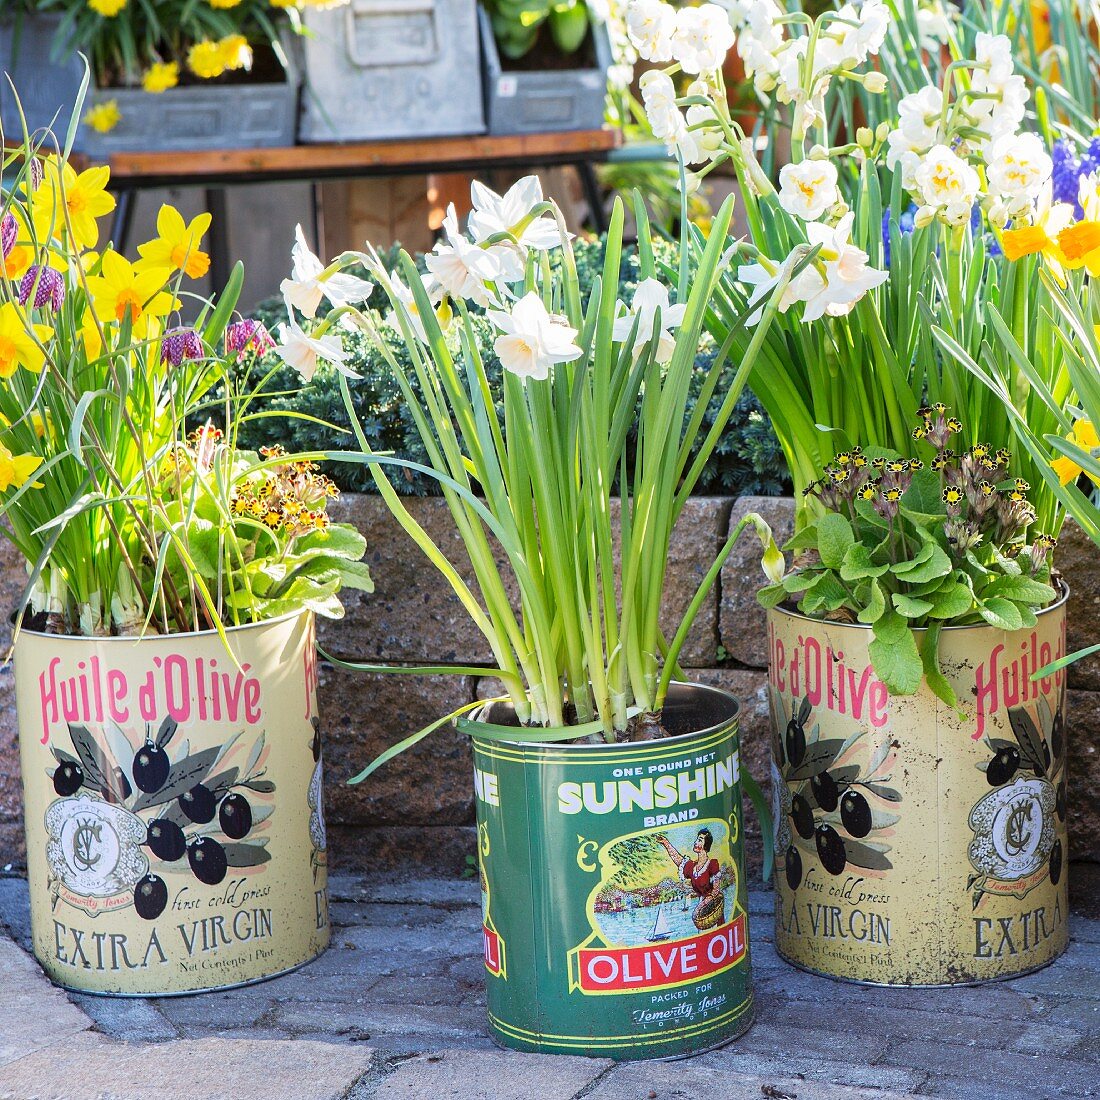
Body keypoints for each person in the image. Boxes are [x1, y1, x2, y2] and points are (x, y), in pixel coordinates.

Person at [656, 828, 726, 930]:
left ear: (706, 845)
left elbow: (715, 891)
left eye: (700, 840)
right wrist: (666, 843)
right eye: (697, 839)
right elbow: (679, 860)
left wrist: (700, 907)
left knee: (714, 932)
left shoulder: (712, 864)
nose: (695, 842)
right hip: (702, 912)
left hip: (712, 908)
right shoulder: (693, 867)